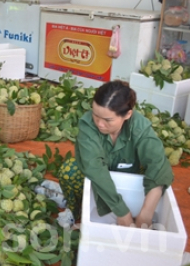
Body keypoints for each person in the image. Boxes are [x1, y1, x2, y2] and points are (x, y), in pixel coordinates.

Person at [38, 80, 174, 228]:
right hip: (96, 175)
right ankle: (75, 207)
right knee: (70, 171)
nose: (100, 124)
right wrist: (122, 212)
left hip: (129, 172)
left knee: (154, 177)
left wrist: (146, 214)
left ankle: (134, 206)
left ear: (127, 114)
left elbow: (158, 165)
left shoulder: (139, 127)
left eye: (108, 120)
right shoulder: (88, 125)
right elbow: (94, 168)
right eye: (96, 115)